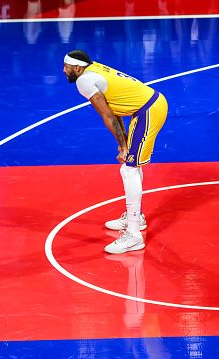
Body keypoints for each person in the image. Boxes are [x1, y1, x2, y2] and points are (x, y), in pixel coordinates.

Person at [63, 50, 168, 254]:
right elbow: (113, 110)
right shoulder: (94, 70)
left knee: (129, 169)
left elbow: (108, 116)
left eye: (67, 67)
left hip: (149, 111)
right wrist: (123, 145)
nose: (64, 70)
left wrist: (123, 146)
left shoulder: (84, 81)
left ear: (77, 68)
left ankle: (134, 235)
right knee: (129, 167)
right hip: (147, 108)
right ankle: (134, 218)